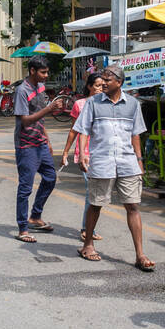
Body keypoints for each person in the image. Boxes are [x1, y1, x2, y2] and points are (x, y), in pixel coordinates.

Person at [73, 65, 153, 270]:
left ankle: (140, 255)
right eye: (102, 79)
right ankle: (87, 245)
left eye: (108, 80)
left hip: (128, 162)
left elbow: (136, 134)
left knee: (133, 206)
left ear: (119, 82)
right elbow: (83, 130)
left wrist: (140, 161)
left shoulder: (133, 104)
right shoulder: (93, 103)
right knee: (96, 203)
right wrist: (83, 154)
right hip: (101, 161)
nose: (104, 83)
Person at [12, 56, 68, 242]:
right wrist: (49, 108)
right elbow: (25, 119)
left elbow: (40, 119)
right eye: (43, 72)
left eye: (47, 72)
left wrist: (47, 140)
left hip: (40, 142)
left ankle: (35, 216)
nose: (46, 75)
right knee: (25, 188)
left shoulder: (41, 88)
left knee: (51, 178)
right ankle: (23, 228)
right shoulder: (22, 91)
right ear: (32, 71)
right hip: (26, 145)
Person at [61, 73, 106, 244]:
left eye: (102, 85)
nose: (100, 88)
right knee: (91, 192)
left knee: (97, 194)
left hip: (102, 154)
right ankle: (87, 229)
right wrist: (66, 152)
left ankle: (89, 227)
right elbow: (74, 130)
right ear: (89, 86)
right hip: (85, 154)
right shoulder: (80, 104)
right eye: (96, 85)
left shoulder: (106, 104)